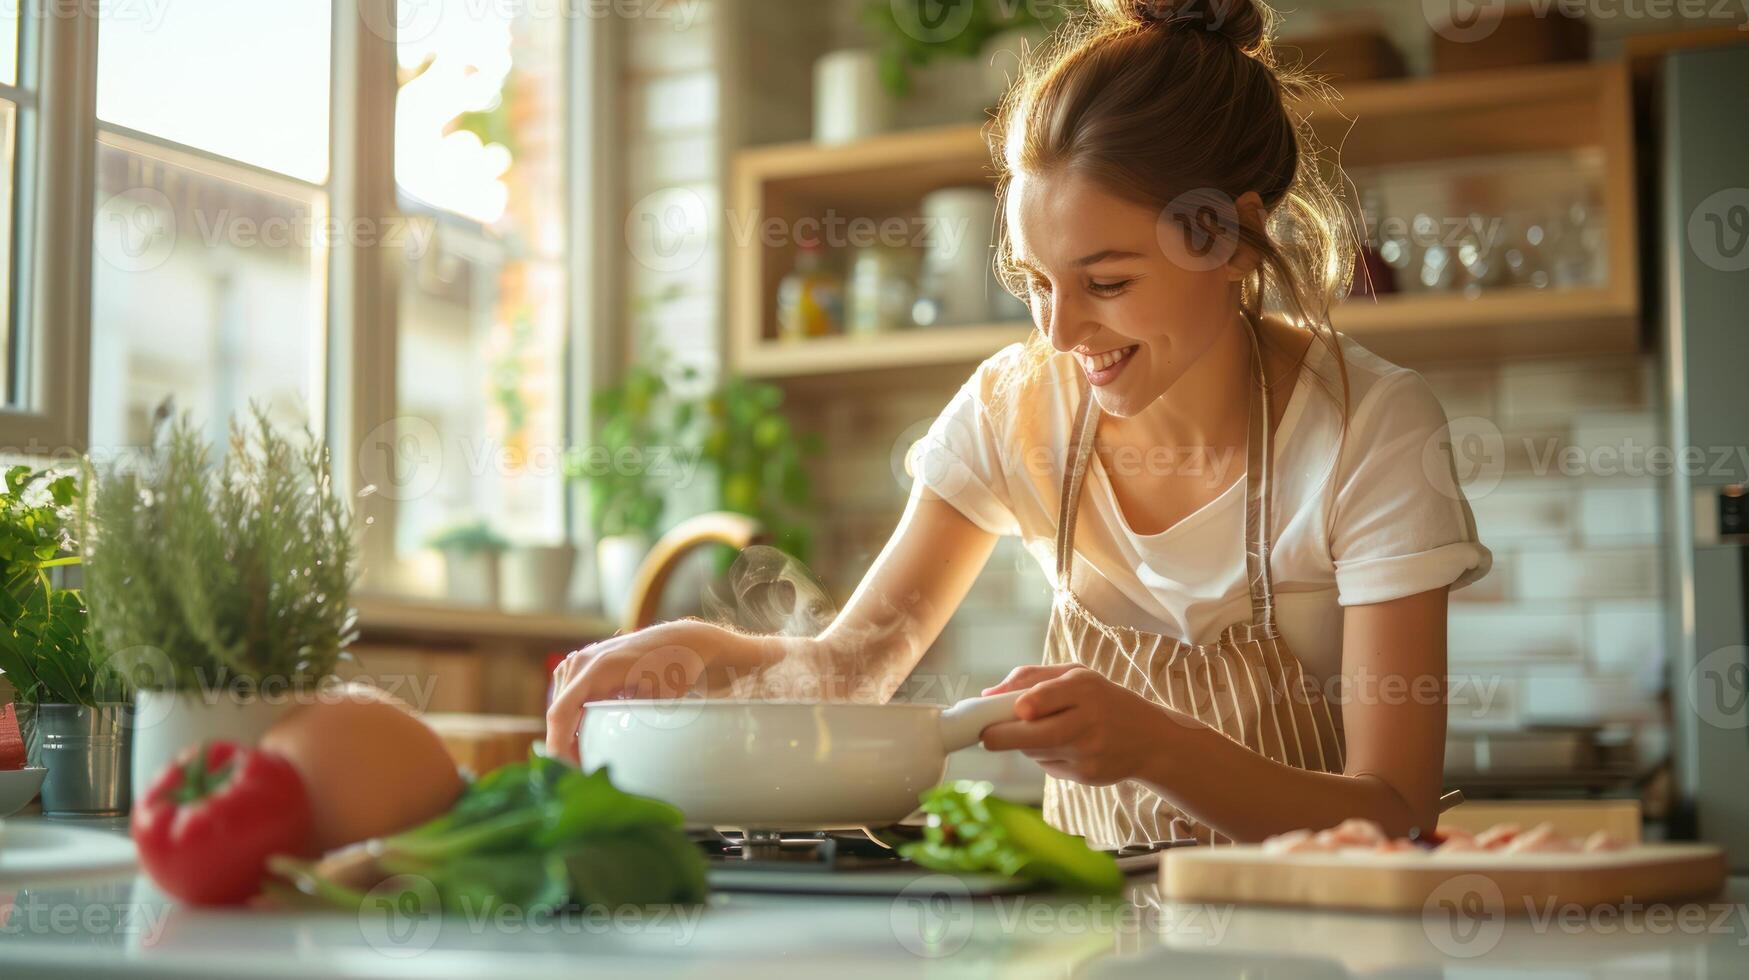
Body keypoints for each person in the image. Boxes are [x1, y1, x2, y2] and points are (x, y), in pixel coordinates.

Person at [547, 0, 1492, 847]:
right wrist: (696, 651)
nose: (1061, 330)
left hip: (1320, 944)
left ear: (1227, 236)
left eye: (1106, 282)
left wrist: (1154, 745)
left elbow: (1392, 810)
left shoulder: (1370, 428)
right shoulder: (1016, 408)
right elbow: (848, 671)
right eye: (1035, 283)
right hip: (1094, 941)